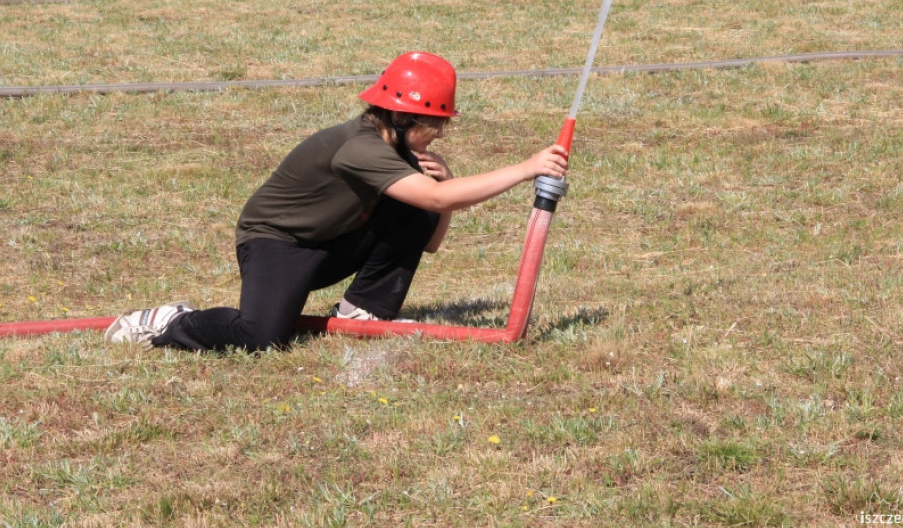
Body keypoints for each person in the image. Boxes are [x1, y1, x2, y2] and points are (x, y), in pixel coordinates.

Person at [105, 52, 569, 353]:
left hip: (333, 239)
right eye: (436, 121)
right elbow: (434, 195)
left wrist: (443, 199)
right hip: (278, 243)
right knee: (260, 338)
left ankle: (360, 313)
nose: (442, 132)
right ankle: (171, 322)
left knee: (418, 206)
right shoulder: (360, 148)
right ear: (404, 115)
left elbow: (428, 238)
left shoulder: (400, 151)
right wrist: (528, 167)